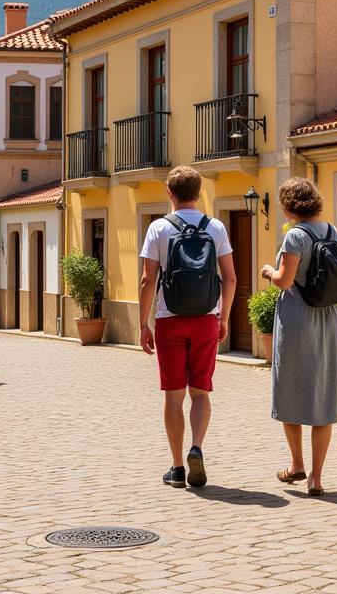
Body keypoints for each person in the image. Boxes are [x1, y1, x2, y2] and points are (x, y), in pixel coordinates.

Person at [139, 166, 236, 490]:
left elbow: (147, 280)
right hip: (206, 319)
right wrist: (222, 317)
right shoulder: (216, 227)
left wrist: (143, 324)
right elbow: (231, 277)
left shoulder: (158, 228)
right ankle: (197, 446)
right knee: (200, 392)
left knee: (174, 395)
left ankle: (178, 467)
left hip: (170, 320)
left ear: (170, 193)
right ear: (199, 193)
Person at [261, 177, 337, 496]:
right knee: (322, 392)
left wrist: (269, 272)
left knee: (291, 387)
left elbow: (285, 281)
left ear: (288, 206)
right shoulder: (332, 231)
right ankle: (316, 477)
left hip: (299, 319)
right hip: (327, 317)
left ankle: (297, 464)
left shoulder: (295, 237)